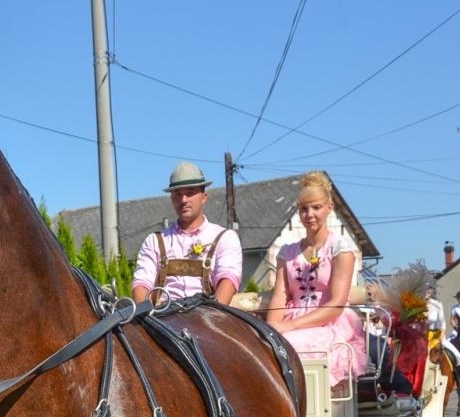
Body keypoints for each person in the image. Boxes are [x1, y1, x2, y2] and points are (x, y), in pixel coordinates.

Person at [259, 173, 366, 387]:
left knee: (290, 345)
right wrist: (273, 327)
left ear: (329, 208)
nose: (310, 214)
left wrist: (289, 327)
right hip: (290, 320)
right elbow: (279, 296)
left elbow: (335, 305)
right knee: (262, 345)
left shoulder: (340, 249)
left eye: (316, 207)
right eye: (304, 209)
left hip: (329, 322)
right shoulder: (287, 252)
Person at [130, 161, 242, 304]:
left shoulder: (225, 238)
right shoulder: (155, 241)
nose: (183, 200)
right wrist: (146, 318)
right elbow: (141, 284)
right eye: (177, 194)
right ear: (171, 199)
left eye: (190, 193)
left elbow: (228, 280)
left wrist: (213, 318)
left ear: (204, 197)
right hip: (163, 319)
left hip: (208, 316)